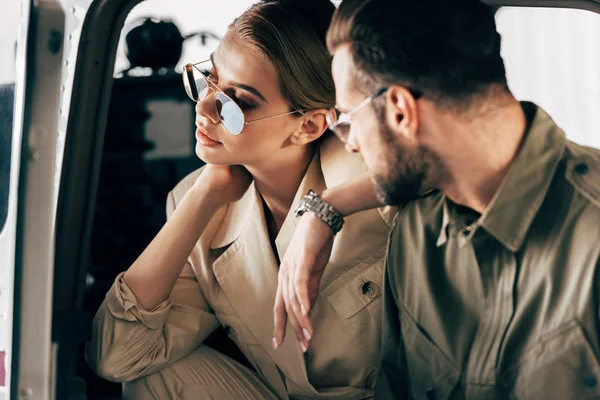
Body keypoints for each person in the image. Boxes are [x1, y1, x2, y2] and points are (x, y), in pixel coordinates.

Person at [274, 0, 600, 399]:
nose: (352, 143)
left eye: (348, 120)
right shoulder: (413, 236)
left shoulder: (592, 238)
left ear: (400, 110)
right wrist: (325, 209)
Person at [86, 0, 395, 399]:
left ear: (310, 125)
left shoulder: (374, 172)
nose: (203, 108)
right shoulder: (198, 203)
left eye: (239, 103)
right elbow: (116, 357)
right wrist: (206, 192)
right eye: (209, 78)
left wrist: (326, 211)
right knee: (150, 373)